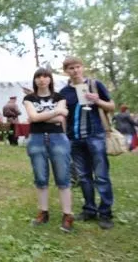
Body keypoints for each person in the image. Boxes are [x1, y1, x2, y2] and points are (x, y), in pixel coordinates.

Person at [59, 56, 116, 229]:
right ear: (66, 71)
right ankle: (89, 209)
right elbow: (62, 115)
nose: (75, 70)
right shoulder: (64, 92)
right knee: (83, 176)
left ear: (82, 68)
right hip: (74, 138)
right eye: (71, 68)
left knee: (101, 175)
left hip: (95, 135)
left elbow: (112, 106)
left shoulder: (95, 85)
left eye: (77, 67)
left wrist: (97, 100)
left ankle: (105, 213)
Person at [22, 68, 73, 232]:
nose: (42, 79)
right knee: (40, 177)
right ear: (35, 80)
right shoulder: (29, 98)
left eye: (45, 76)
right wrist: (56, 111)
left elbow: (57, 119)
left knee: (63, 177)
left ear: (50, 79)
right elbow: (34, 117)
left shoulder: (60, 97)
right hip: (36, 139)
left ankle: (67, 214)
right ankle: (43, 212)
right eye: (38, 77)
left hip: (58, 139)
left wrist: (41, 115)